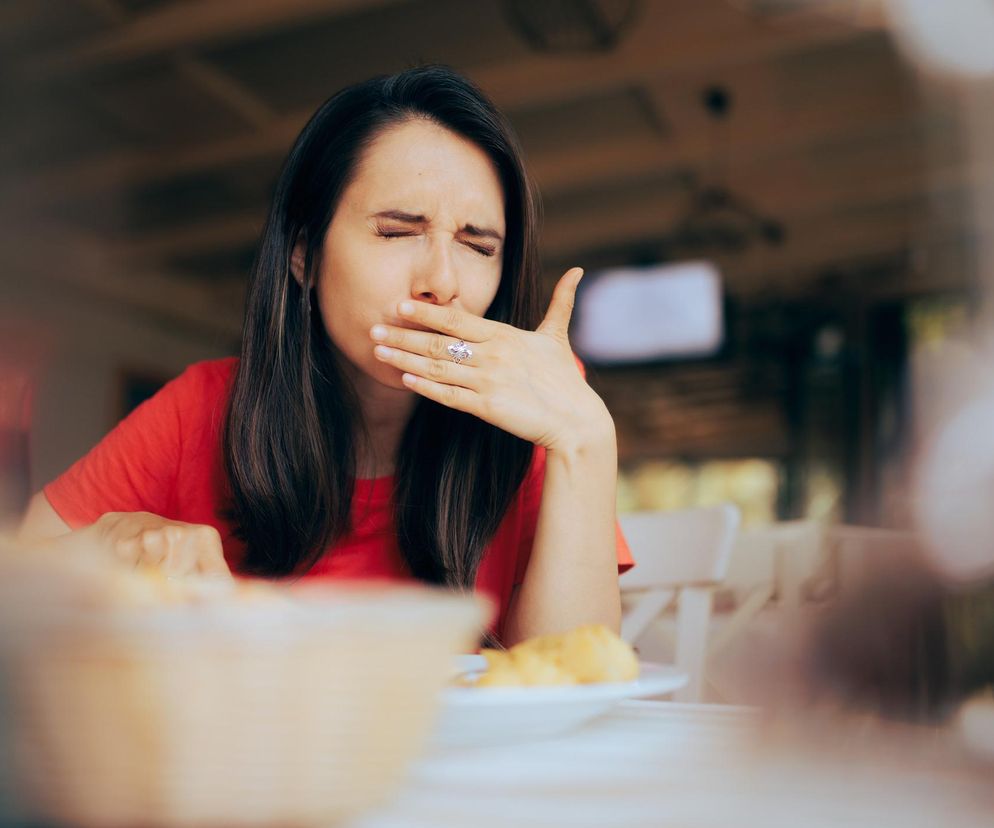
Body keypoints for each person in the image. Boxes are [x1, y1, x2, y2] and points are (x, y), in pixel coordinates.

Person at [16, 65, 631, 645]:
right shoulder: (202, 409)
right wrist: (113, 544)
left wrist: (583, 440)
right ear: (304, 255)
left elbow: (571, 675)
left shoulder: (540, 408)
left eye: (478, 246)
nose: (442, 283)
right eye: (397, 231)